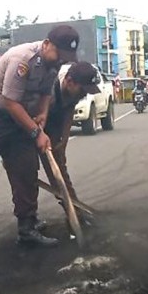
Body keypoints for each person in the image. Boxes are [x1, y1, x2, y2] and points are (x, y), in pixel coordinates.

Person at [0, 25, 80, 256]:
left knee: (26, 172)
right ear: (47, 44)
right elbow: (11, 102)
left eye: (65, 57)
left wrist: (42, 114)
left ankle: (27, 228)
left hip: (19, 122)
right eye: (59, 54)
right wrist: (37, 133)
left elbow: (45, 94)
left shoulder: (53, 64)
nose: (61, 60)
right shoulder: (22, 60)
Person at [37, 61, 101, 228]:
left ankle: (74, 213)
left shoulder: (73, 91)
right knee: (26, 171)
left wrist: (63, 140)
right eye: (83, 90)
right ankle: (27, 223)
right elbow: (30, 114)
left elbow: (69, 111)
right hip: (28, 122)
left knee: (59, 172)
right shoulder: (48, 86)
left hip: (53, 123)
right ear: (69, 81)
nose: (84, 95)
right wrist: (39, 135)